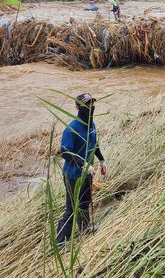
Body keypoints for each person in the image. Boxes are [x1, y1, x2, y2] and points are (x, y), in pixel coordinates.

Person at [56, 93, 108, 245]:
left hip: (87, 174)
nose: (90, 108)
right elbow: (65, 151)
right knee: (72, 209)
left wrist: (102, 159)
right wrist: (83, 163)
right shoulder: (71, 129)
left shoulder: (91, 125)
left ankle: (84, 229)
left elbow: (94, 144)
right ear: (78, 107)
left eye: (92, 104)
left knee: (85, 203)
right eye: (86, 105)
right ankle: (60, 242)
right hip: (73, 175)